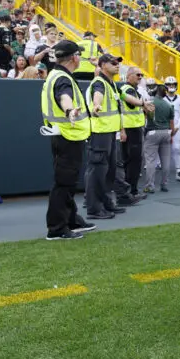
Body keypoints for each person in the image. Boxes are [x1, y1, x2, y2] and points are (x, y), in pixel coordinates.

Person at [41, 39, 97, 240]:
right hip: (67, 136)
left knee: (68, 182)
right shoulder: (62, 79)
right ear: (74, 57)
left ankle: (71, 219)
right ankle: (56, 228)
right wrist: (69, 109)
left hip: (66, 135)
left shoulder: (58, 75)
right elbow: (64, 97)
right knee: (64, 183)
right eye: (79, 55)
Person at [84, 54, 126, 220]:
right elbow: (98, 96)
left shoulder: (112, 84)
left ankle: (106, 203)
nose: (117, 65)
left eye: (118, 63)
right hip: (100, 132)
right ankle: (94, 209)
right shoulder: (100, 82)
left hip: (109, 132)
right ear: (102, 65)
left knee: (108, 171)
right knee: (97, 171)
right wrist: (96, 105)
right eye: (113, 63)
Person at [118, 67, 151, 203]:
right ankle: (132, 191)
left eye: (142, 75)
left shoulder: (131, 90)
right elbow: (132, 105)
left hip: (131, 129)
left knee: (129, 162)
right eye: (138, 74)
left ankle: (128, 191)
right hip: (132, 129)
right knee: (134, 162)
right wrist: (143, 105)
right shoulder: (128, 90)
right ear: (129, 75)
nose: (140, 77)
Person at [142, 82, 175, 193]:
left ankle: (150, 186)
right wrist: (171, 135)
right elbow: (172, 123)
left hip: (153, 132)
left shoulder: (150, 103)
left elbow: (145, 118)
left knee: (151, 161)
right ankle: (164, 184)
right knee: (166, 160)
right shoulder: (169, 105)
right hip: (166, 132)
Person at [163, 76, 180, 182]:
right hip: (164, 127)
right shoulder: (163, 99)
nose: (171, 86)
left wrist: (177, 127)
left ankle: (178, 170)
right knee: (163, 150)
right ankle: (163, 173)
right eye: (169, 85)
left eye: (173, 85)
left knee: (176, 149)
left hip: (176, 127)